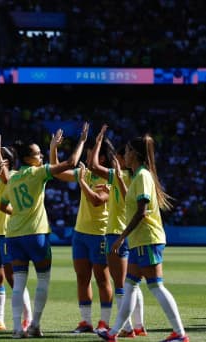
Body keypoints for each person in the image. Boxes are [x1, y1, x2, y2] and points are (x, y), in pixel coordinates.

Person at [0, 123, 88, 338]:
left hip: (13, 236)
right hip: (36, 235)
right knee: (43, 279)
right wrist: (82, 141)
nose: (41, 158)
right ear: (29, 159)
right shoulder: (38, 173)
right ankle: (35, 325)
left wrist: (19, 213)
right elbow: (72, 163)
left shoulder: (11, 178)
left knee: (19, 283)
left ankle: (16, 329)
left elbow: (3, 206)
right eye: (38, 154)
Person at [98, 135, 189, 342]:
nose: (125, 154)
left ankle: (180, 333)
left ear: (136, 154)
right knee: (130, 286)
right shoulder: (138, 175)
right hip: (140, 241)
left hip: (147, 239)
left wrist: (121, 238)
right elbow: (134, 205)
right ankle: (113, 334)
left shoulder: (142, 176)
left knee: (156, 286)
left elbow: (141, 211)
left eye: (128, 151)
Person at [50, 125, 113, 333]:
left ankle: (104, 322)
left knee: (102, 279)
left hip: (100, 234)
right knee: (82, 277)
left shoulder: (109, 177)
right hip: (80, 233)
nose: (87, 156)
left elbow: (96, 201)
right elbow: (57, 171)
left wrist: (82, 180)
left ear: (101, 158)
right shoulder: (84, 172)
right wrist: (53, 148)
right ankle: (86, 322)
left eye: (91, 152)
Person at [90, 125, 146, 337]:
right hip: (132, 233)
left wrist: (98, 142)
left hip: (116, 232)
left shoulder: (118, 176)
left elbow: (94, 165)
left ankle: (127, 327)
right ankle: (139, 325)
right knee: (133, 282)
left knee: (122, 284)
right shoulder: (137, 177)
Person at [0, 139, 32, 332]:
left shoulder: (13, 175)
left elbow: (5, 179)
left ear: (9, 161)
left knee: (13, 278)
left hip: (6, 234)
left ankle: (27, 316)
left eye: (1, 158)